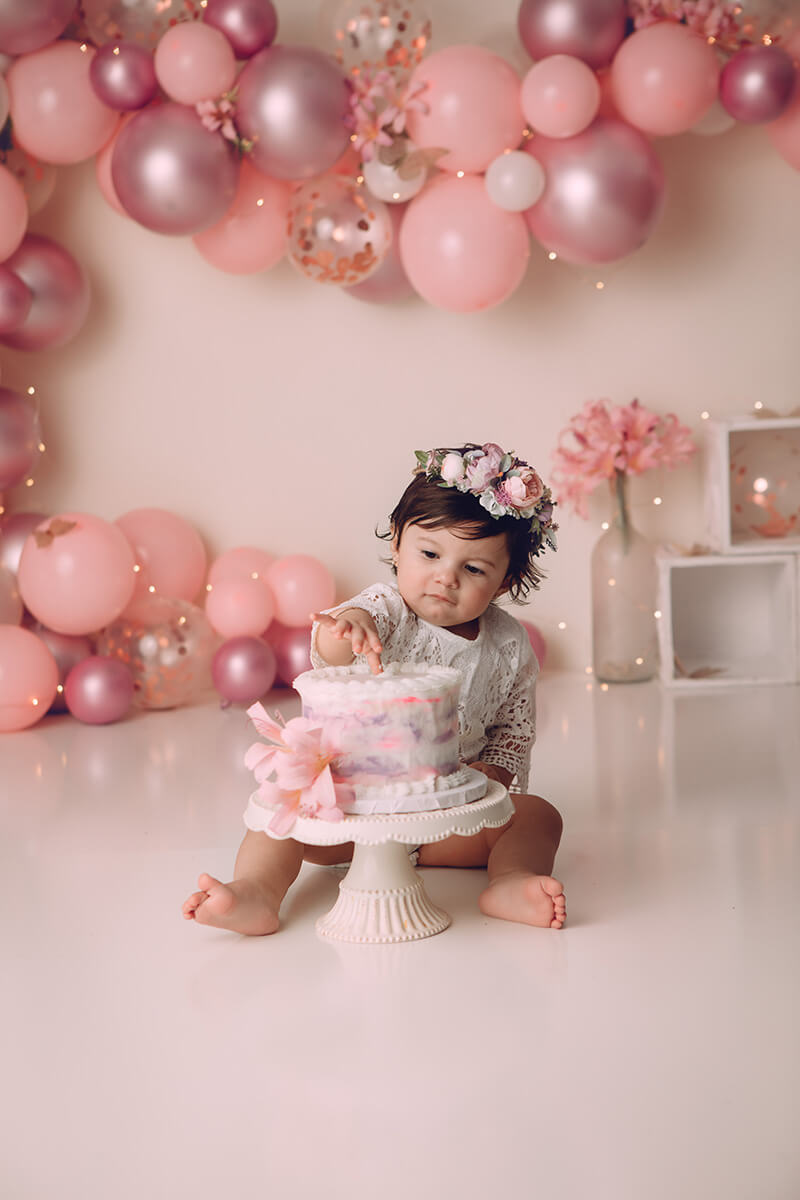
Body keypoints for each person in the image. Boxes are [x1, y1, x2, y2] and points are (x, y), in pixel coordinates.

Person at [183, 442, 566, 935]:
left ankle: (512, 881)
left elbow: (515, 725)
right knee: (282, 816)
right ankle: (257, 891)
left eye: (473, 569)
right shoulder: (385, 607)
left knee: (537, 817)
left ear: (504, 580)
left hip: (444, 818)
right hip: (349, 812)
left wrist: (493, 771)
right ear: (397, 544)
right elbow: (334, 640)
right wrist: (351, 626)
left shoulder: (509, 644)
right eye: (429, 553)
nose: (444, 578)